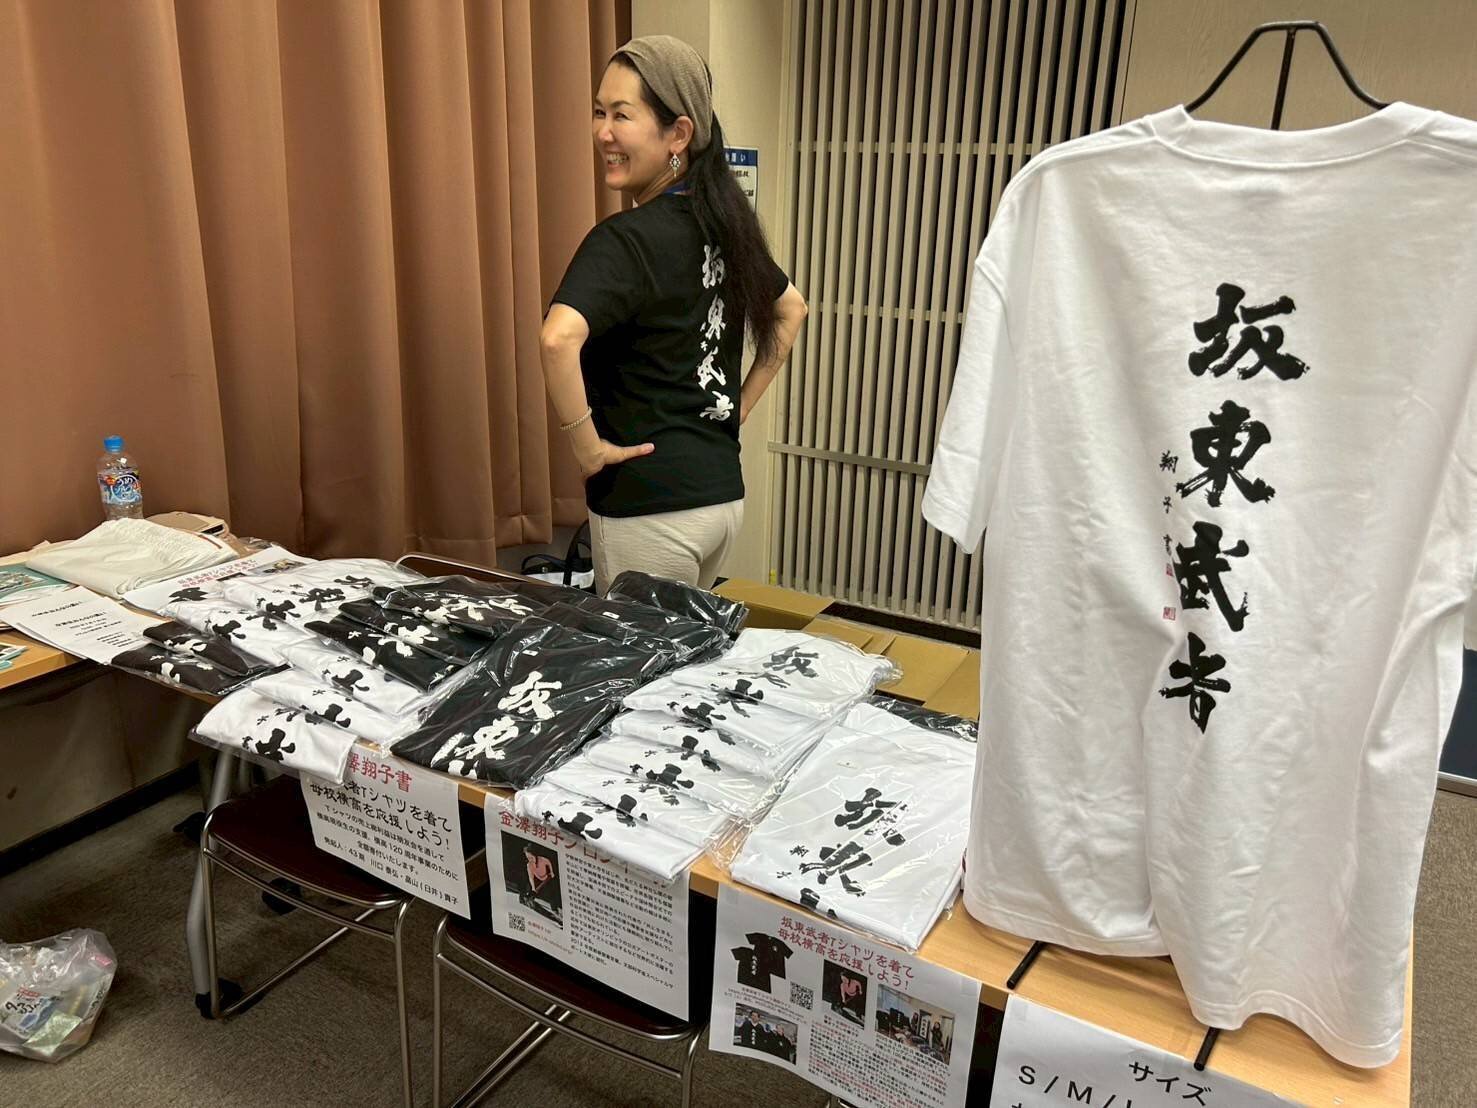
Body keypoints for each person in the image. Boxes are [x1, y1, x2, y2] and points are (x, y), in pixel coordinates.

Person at [541, 35, 808, 594]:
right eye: (598, 112)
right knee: (684, 648)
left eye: (622, 115)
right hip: (719, 499)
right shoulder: (727, 227)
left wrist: (587, 447)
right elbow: (792, 309)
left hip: (649, 508)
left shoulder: (624, 240)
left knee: (640, 653)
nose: (603, 132)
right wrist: (736, 409)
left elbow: (557, 339)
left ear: (679, 134)